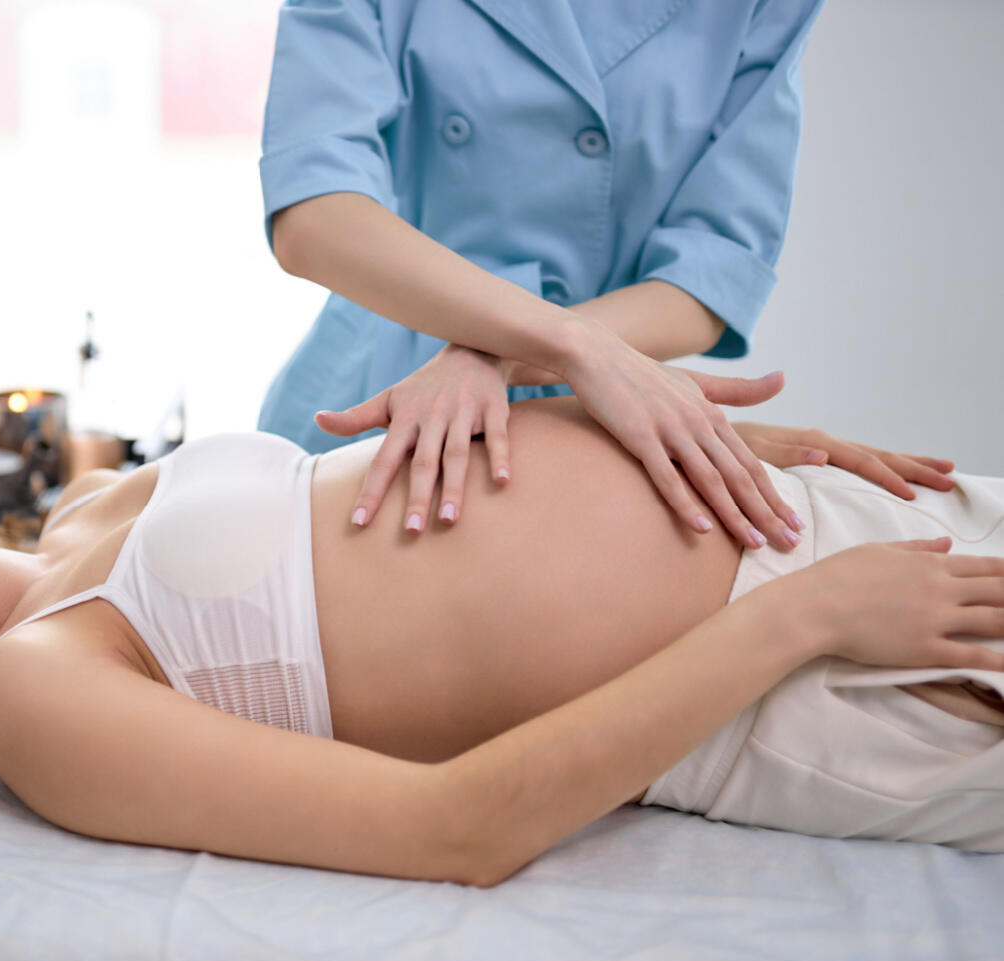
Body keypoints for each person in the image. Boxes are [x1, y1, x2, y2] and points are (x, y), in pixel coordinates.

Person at [0, 371, 1004, 888]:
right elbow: (457, 830)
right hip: (818, 663)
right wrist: (809, 616)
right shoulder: (38, 694)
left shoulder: (94, 506)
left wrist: (716, 443)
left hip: (819, 516)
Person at [255, 0, 840, 552]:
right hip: (377, 397)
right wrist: (572, 344)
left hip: (600, 420)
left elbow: (709, 277)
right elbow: (315, 217)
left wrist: (493, 354)